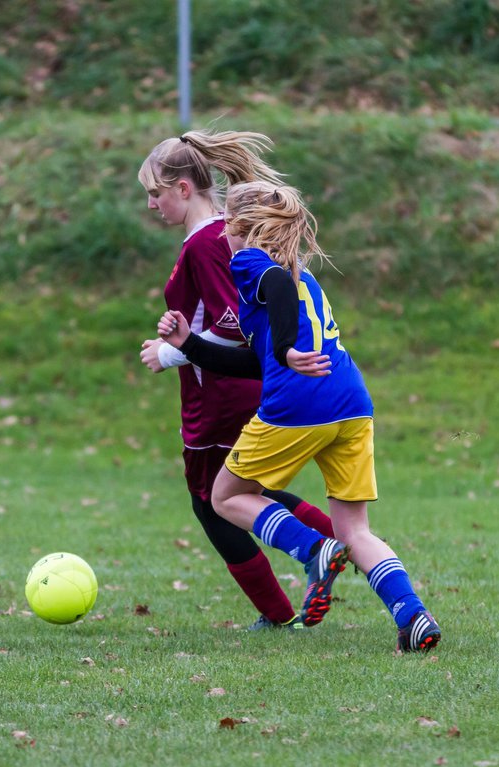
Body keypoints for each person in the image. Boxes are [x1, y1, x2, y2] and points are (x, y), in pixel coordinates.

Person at [157, 181, 440, 652]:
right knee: (356, 531)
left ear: (242, 228)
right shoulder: (302, 274)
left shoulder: (252, 262)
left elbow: (274, 300)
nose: (221, 234)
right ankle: (413, 617)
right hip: (351, 404)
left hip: (299, 405)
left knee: (224, 496)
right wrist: (189, 344)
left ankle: (312, 548)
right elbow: (254, 360)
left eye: (226, 225)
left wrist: (287, 349)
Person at [136, 131, 335, 631]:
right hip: (226, 392)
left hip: (220, 396)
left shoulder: (207, 244)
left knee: (212, 503)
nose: (151, 203)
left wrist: (172, 352)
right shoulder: (215, 236)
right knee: (244, 493)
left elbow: (239, 328)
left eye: (155, 192)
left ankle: (287, 598)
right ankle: (343, 546)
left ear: (184, 188)